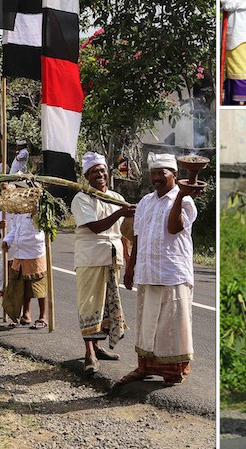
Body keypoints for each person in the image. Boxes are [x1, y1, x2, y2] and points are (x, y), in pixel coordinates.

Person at [119, 152, 198, 386]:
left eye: (161, 173)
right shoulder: (145, 202)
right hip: (148, 270)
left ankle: (174, 372)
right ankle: (144, 367)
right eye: (153, 173)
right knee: (147, 321)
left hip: (172, 271)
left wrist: (180, 196)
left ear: (174, 175)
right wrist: (130, 268)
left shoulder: (185, 200)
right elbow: (137, 237)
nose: (156, 177)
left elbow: (174, 228)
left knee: (171, 324)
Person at [72, 152, 134, 372]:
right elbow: (95, 227)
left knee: (107, 304)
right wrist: (120, 214)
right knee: (89, 303)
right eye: (94, 171)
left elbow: (126, 235)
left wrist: (129, 265)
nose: (100, 174)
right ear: (86, 176)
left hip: (112, 257)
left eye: (102, 170)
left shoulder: (116, 197)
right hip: (90, 257)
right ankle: (89, 353)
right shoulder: (82, 198)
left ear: (108, 173)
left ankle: (98, 347)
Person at [0, 188, 50, 329]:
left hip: (34, 253)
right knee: (20, 285)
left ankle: (43, 317)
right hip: (19, 253)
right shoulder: (19, 213)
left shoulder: (39, 211)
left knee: (38, 285)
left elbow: (45, 230)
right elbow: (14, 229)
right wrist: (7, 240)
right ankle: (25, 314)